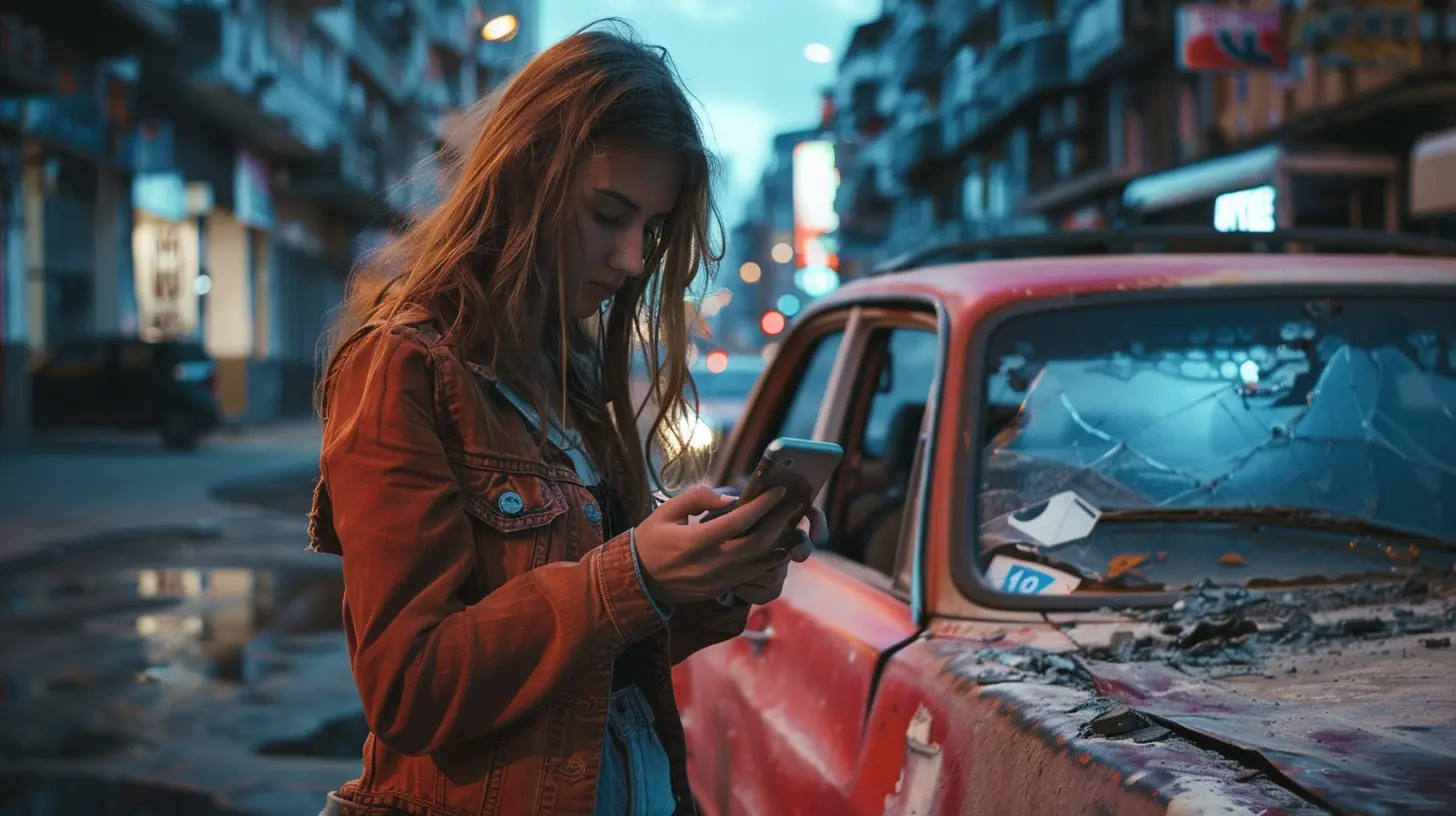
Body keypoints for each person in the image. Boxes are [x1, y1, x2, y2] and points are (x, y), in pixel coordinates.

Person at [307, 22, 827, 816]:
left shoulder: (574, 377)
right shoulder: (403, 367)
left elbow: (609, 662)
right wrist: (633, 576)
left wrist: (717, 578)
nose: (630, 260)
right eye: (607, 215)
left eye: (650, 231)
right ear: (523, 182)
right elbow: (408, 688)